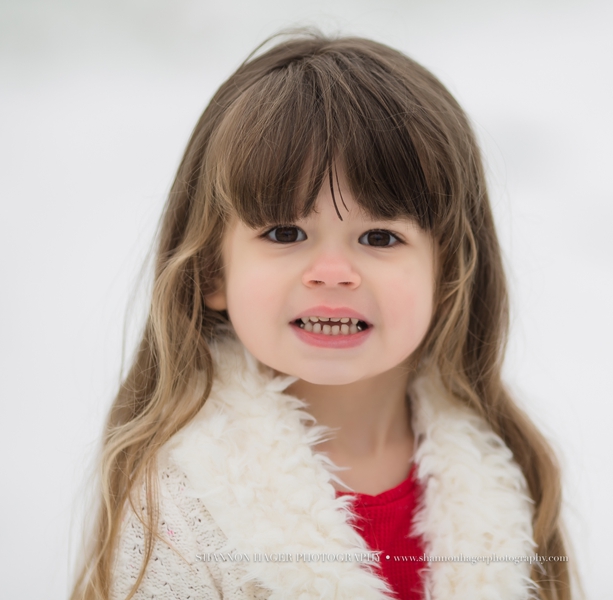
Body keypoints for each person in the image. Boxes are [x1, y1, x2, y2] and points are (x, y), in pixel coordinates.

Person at [71, 32, 573, 600]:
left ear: (449, 272)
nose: (332, 273)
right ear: (212, 270)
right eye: (286, 233)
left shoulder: (509, 475)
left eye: (379, 237)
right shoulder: (178, 510)